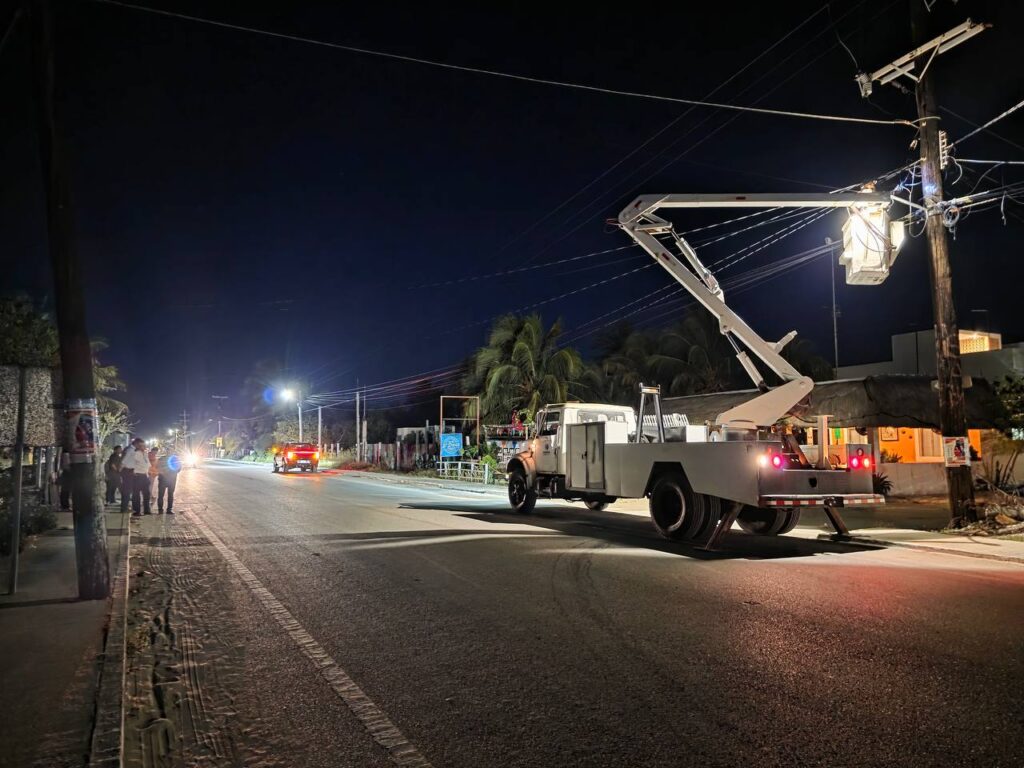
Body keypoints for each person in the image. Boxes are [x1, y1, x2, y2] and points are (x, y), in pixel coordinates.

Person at [121, 438, 152, 516]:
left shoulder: (145, 454)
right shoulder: (135, 453)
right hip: (138, 475)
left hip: (145, 475)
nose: (144, 447)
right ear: (139, 446)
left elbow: (148, 464)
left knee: (147, 494)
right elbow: (128, 463)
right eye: (142, 445)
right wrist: (131, 471)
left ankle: (147, 510)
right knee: (136, 494)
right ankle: (136, 511)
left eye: (144, 445)